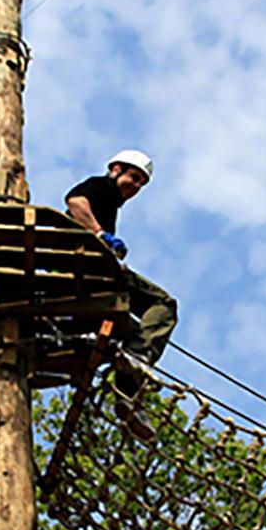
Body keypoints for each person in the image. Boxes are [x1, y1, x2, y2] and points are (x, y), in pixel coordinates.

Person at [65, 148, 177, 380]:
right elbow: (75, 202)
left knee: (136, 332)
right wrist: (100, 234)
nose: (136, 186)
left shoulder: (111, 206)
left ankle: (126, 377)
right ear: (116, 169)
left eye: (141, 184)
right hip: (89, 267)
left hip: (86, 275)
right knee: (163, 304)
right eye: (134, 178)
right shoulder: (102, 186)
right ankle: (136, 357)